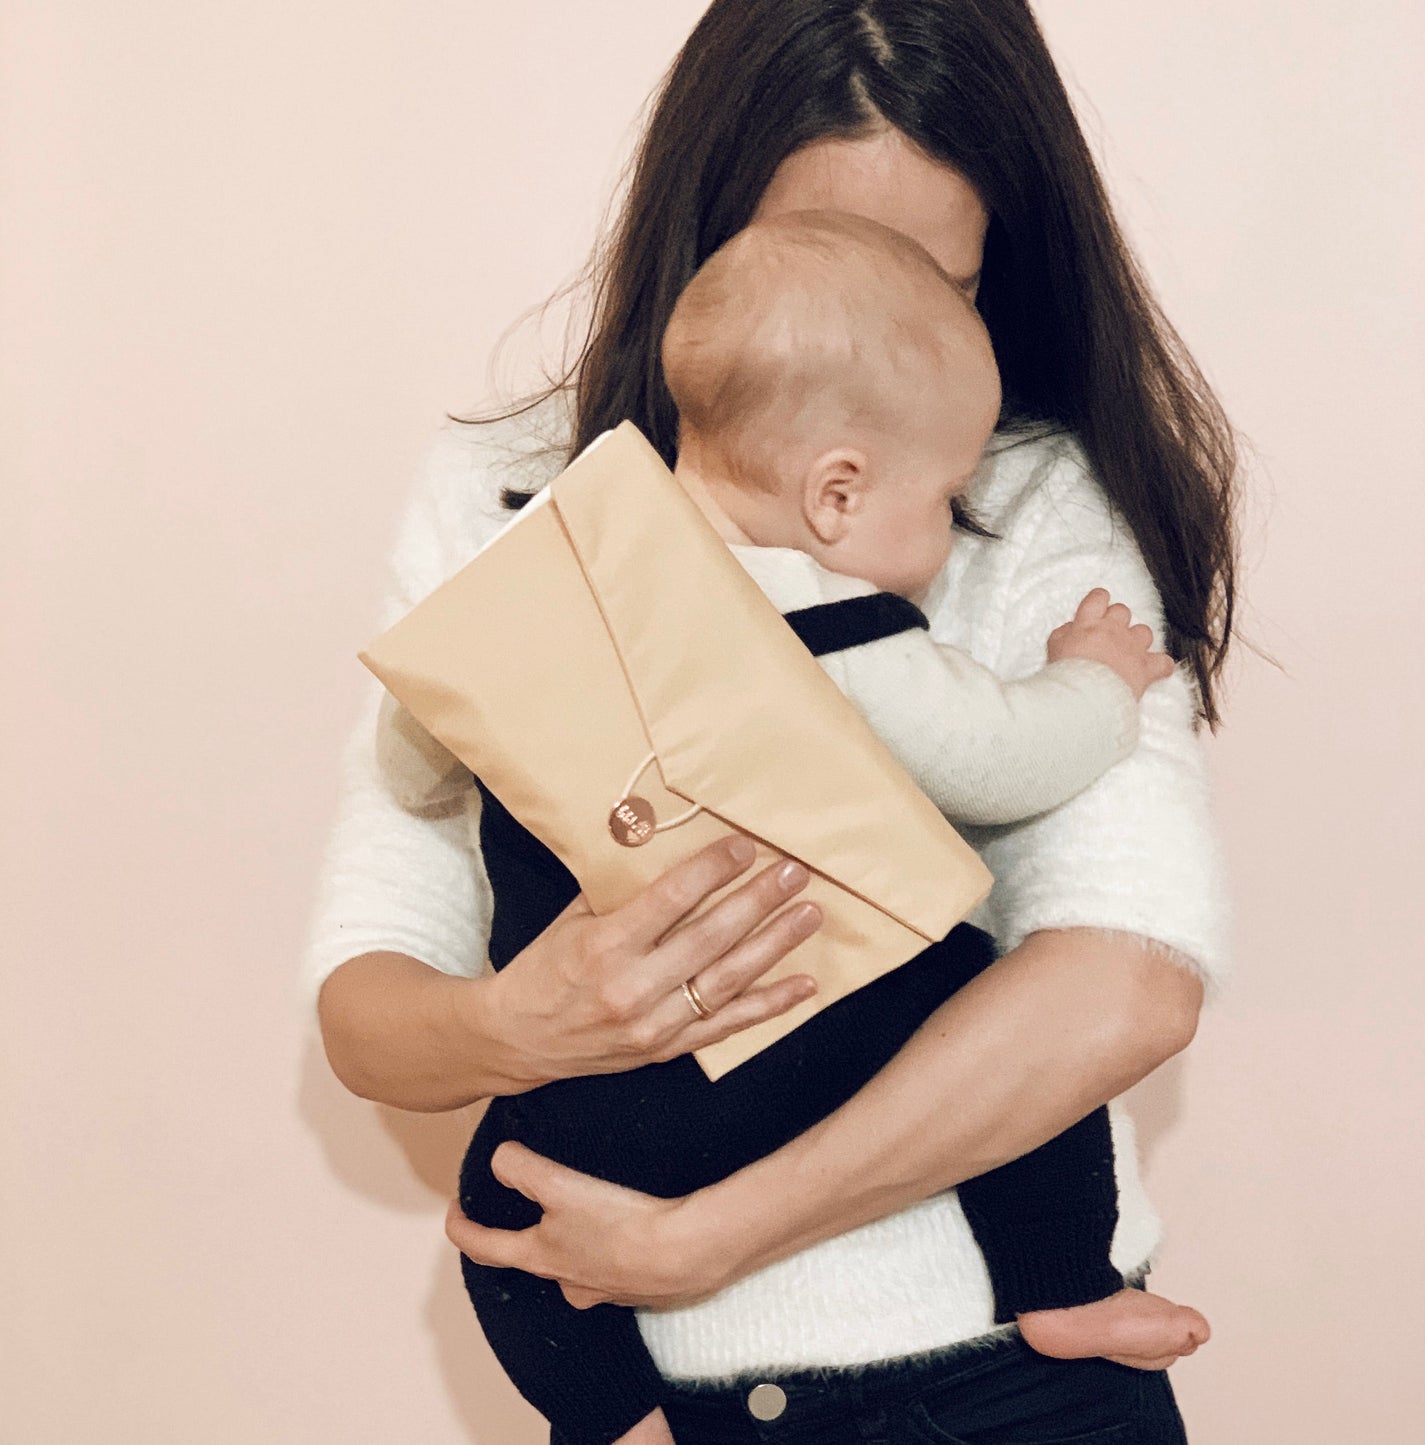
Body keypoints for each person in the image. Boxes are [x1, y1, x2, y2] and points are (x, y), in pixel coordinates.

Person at [306, 3, 1235, 1442]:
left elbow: (1122, 985)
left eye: (942, 282)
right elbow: (372, 1005)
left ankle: (1017, 1292)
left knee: (969, 990)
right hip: (687, 1403)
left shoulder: (1029, 487)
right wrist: (525, 1019)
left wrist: (698, 1243)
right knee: (950, 972)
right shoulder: (514, 497)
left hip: (992, 1389)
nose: (896, 338)